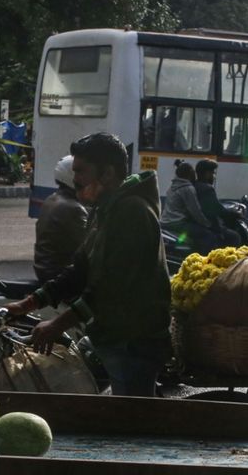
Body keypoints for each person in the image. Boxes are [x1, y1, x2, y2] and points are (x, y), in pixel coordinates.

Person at [13, 132, 170, 398]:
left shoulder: (132, 212)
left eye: (82, 171)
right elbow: (79, 269)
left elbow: (110, 287)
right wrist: (28, 303)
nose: (75, 179)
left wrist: (56, 326)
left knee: (134, 422)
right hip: (108, 335)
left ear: (107, 173)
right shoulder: (105, 209)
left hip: (134, 341)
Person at [31, 154, 89, 284]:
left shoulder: (52, 199)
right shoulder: (73, 208)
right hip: (59, 274)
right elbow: (89, 244)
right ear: (72, 176)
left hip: (44, 270)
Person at [160, 159, 214, 252]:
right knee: (208, 235)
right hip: (178, 223)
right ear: (189, 174)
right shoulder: (187, 188)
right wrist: (207, 224)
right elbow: (195, 211)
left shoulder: (173, 186)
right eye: (193, 173)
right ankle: (203, 260)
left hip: (165, 222)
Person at [194, 160, 238, 246]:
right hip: (207, 225)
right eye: (213, 173)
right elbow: (216, 209)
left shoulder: (195, 185)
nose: (214, 177)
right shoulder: (207, 189)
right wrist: (233, 214)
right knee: (234, 237)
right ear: (207, 173)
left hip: (197, 223)